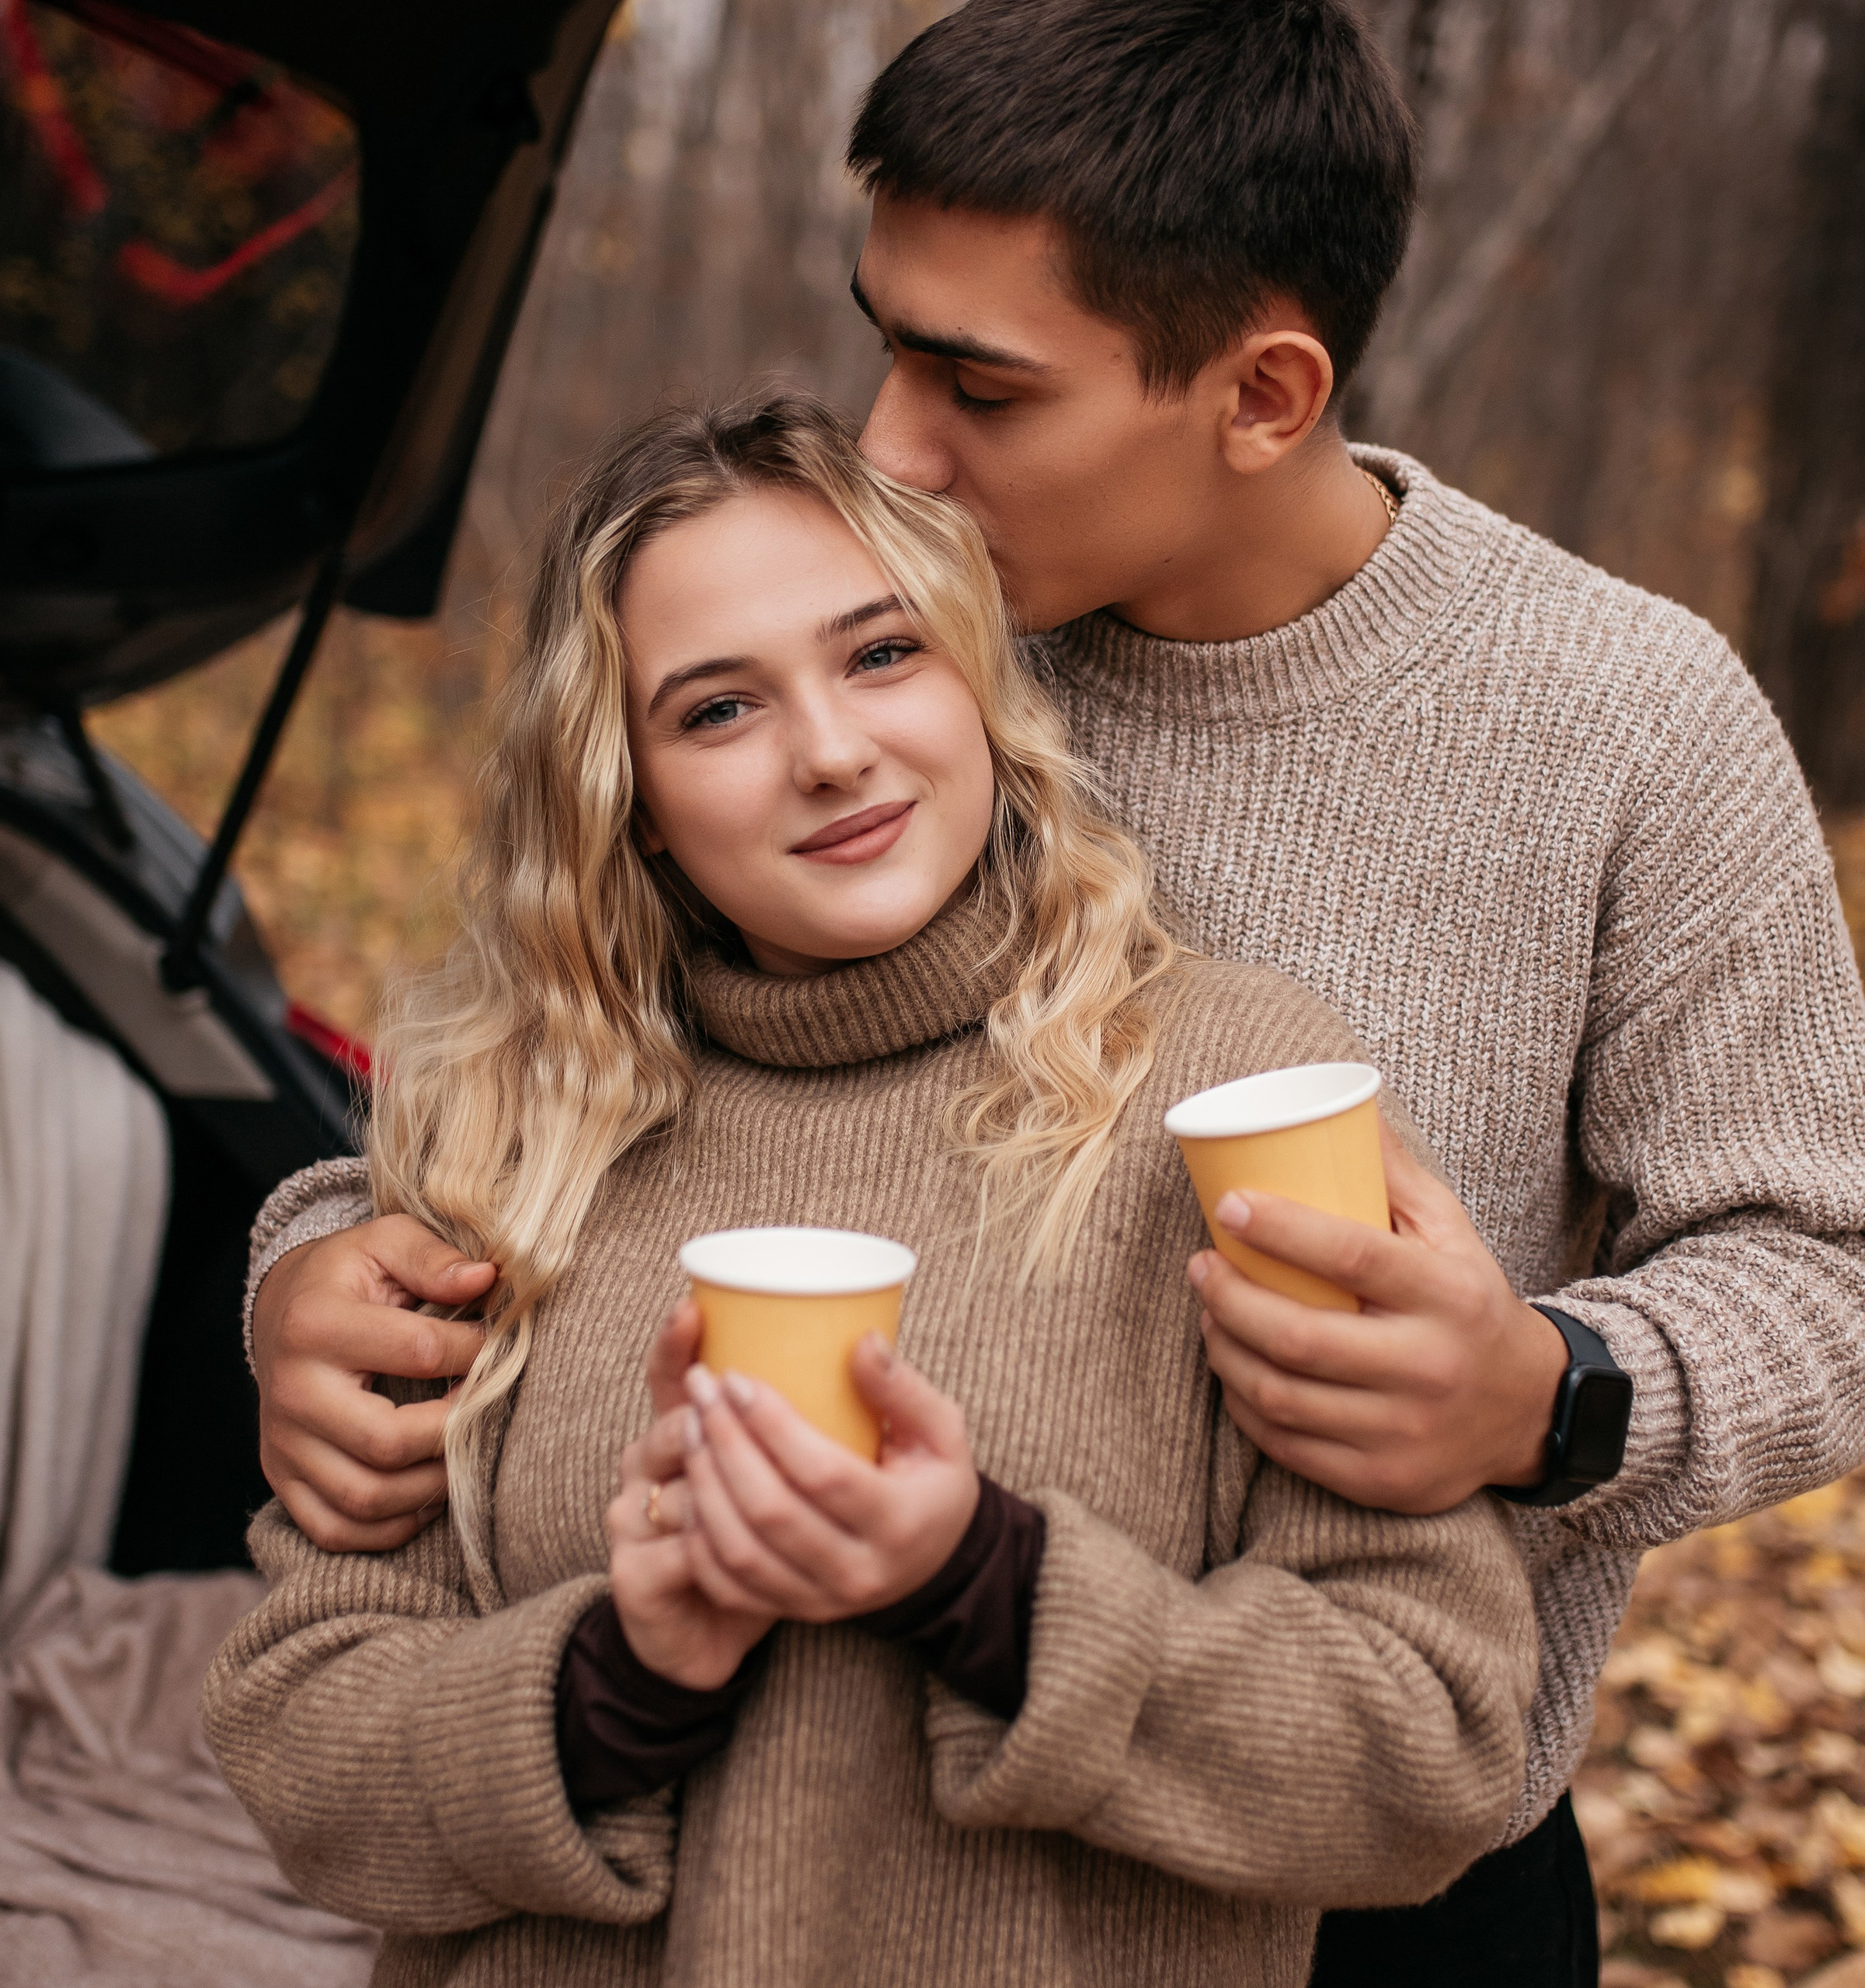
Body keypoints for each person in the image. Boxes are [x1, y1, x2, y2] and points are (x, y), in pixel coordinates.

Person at [240, 4, 1865, 1983]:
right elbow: (571, 1024)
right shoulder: (883, 647)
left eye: (977, 386)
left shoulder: (1624, 718)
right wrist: (313, 1262)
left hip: (1375, 1846)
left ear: (1259, 395)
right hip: (795, 1847)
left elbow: (1827, 1260)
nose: (888, 442)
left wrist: (1551, 1394)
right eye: (882, 338)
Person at [202, 394, 1536, 1987]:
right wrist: (619, 1681)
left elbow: (1422, 1743)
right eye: (717, 709)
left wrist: (984, 1581)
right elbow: (299, 1741)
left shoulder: (1232, 1093)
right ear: (629, 795)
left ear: (980, 678)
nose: (831, 752)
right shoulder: (507, 1135)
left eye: (882, 653)